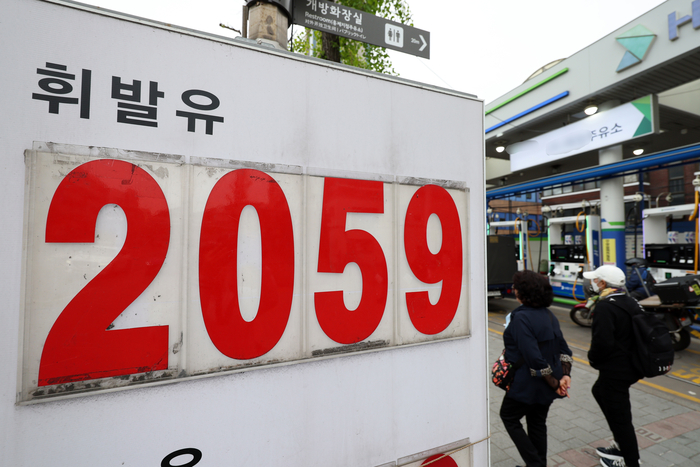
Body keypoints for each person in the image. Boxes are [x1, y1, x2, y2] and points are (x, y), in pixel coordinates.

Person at [500, 270, 573, 467]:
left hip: (526, 384)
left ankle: (535, 464)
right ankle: (539, 463)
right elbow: (564, 349)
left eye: (516, 287)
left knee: (508, 417)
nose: (514, 290)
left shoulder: (521, 318)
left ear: (523, 292)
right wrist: (565, 376)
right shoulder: (548, 315)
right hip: (547, 385)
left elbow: (533, 357)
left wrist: (556, 384)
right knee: (537, 423)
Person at [583, 265, 644, 467]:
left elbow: (602, 343)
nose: (593, 283)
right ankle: (620, 446)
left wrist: (593, 360)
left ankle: (631, 461)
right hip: (630, 365)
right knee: (598, 391)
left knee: (621, 418)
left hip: (617, 370)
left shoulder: (605, 307)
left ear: (602, 283)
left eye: (595, 280)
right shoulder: (630, 301)